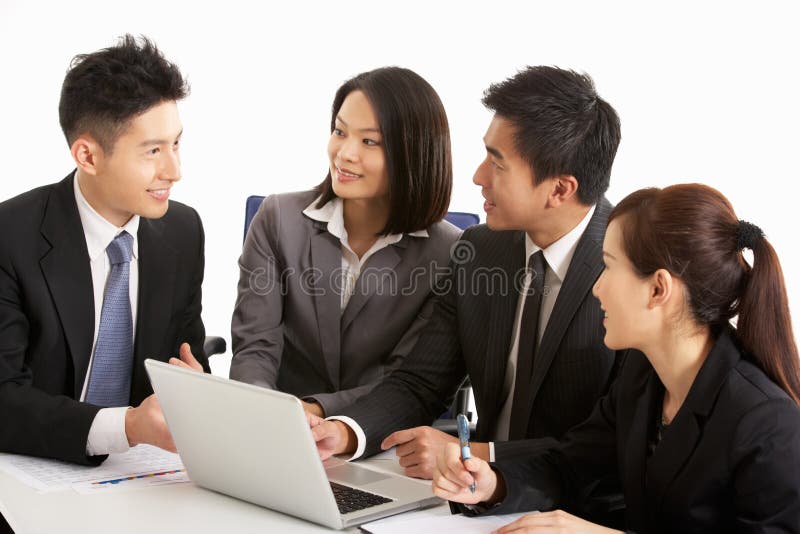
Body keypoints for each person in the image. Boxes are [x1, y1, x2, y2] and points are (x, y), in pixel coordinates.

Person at [309, 65, 624, 522]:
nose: (478, 176)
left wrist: (478, 450)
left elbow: (613, 442)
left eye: (497, 163)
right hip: (474, 502)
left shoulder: (630, 268)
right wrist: (345, 431)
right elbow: (420, 382)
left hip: (579, 514)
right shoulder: (480, 249)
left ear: (560, 189)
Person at [434, 183, 800, 532]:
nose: (597, 287)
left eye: (608, 266)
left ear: (658, 288)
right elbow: (570, 465)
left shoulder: (765, 421)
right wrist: (493, 482)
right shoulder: (643, 374)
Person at [0, 35, 209, 467]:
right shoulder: (10, 236)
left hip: (138, 474)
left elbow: (186, 354)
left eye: (176, 143)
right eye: (153, 150)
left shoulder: (182, 231)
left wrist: (196, 388)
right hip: (27, 468)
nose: (174, 170)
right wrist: (125, 427)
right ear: (88, 155)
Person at [229, 67, 459, 417]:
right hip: (279, 428)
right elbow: (256, 348)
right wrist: (266, 411)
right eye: (340, 131)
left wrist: (319, 412)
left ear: (413, 152)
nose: (344, 153)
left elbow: (408, 379)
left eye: (369, 141)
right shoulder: (278, 218)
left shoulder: (448, 253)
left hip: (381, 439)